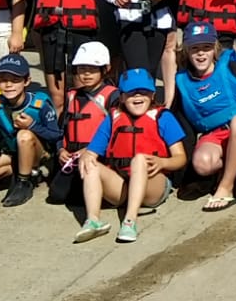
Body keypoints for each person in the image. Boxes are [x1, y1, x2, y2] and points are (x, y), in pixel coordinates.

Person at [74, 69, 188, 243]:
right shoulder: (113, 118)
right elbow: (92, 151)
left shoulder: (163, 117)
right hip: (121, 184)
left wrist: (163, 162)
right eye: (131, 92)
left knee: (140, 159)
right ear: (121, 97)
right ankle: (93, 220)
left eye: (143, 92)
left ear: (152, 95)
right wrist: (86, 156)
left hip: (153, 185)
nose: (137, 96)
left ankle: (130, 221)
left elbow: (181, 158)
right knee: (90, 162)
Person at [168, 21, 236, 212]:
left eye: (206, 48)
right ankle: (228, 169)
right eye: (195, 48)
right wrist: (183, 176)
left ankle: (226, 186)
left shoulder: (233, 68)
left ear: (215, 48)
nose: (201, 53)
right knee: (201, 164)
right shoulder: (182, 82)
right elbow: (184, 128)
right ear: (186, 51)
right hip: (216, 134)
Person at [0, 54, 62, 208]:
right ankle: (23, 168)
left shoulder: (40, 104)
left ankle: (25, 181)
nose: (8, 85)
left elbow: (56, 135)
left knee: (24, 135)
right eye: (3, 80)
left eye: (15, 80)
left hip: (40, 153)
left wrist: (32, 126)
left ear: (27, 81)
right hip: (13, 152)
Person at [50, 41, 118, 206]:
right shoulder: (71, 96)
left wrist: (91, 150)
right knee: (57, 195)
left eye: (93, 69)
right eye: (82, 69)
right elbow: (62, 129)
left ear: (105, 69)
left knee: (83, 196)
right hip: (72, 156)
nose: (86, 74)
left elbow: (117, 134)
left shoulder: (113, 96)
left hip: (98, 156)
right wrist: (61, 149)